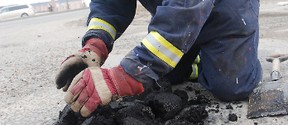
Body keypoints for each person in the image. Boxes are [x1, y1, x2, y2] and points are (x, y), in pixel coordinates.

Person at [55, 0, 262, 117]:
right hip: (176, 13)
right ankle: (198, 62)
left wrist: (126, 76)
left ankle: (229, 56)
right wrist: (95, 44)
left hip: (228, 10)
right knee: (166, 75)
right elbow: (111, 4)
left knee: (231, 87)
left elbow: (186, 8)